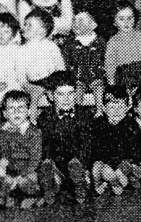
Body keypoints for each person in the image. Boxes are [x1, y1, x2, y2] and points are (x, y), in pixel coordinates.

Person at [36, 70, 93, 205]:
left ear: (76, 93)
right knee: (48, 169)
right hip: (56, 164)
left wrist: (81, 163)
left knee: (77, 169)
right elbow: (45, 145)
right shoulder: (45, 118)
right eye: (61, 94)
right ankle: (50, 187)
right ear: (51, 96)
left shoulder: (84, 115)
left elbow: (87, 145)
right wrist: (49, 161)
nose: (66, 98)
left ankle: (80, 184)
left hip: (77, 163)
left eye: (71, 93)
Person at [0, 89, 43, 208]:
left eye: (21, 108)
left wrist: (22, 175)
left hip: (27, 169)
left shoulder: (34, 132)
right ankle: (5, 195)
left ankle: (32, 196)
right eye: (11, 108)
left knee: (29, 181)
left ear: (28, 111)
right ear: (5, 113)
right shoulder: (0, 131)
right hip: (9, 169)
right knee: (1, 178)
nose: (16, 112)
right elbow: (0, 152)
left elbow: (35, 158)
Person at [90, 85, 141, 195]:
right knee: (98, 168)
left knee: (128, 169)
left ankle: (113, 182)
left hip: (123, 164)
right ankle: (106, 183)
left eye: (120, 107)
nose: (116, 111)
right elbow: (95, 151)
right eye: (112, 107)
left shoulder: (131, 125)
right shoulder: (99, 125)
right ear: (104, 108)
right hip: (106, 164)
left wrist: (122, 166)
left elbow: (135, 152)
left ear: (127, 108)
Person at [58, 10, 105, 111]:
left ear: (93, 25)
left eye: (81, 21)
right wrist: (68, 76)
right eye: (74, 20)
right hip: (77, 78)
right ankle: (77, 113)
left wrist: (102, 72)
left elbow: (106, 59)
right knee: (77, 91)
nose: (76, 23)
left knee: (99, 89)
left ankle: (100, 111)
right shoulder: (70, 43)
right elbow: (64, 61)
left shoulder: (100, 42)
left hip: (96, 76)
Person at [104, 0, 141, 88]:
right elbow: (110, 63)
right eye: (121, 19)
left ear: (134, 19)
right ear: (114, 22)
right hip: (121, 78)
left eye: (129, 18)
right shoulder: (112, 42)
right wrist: (111, 81)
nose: (126, 22)